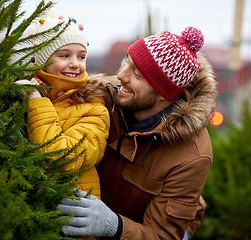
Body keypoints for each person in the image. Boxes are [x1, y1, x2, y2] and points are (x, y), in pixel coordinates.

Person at [57, 26, 218, 240]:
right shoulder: (110, 96)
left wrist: (113, 225)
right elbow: (54, 89)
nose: (121, 75)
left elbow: (162, 235)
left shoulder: (192, 155)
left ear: (164, 93)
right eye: (127, 62)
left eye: (137, 74)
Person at [16, 8, 110, 201]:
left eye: (81, 56)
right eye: (65, 55)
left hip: (72, 218)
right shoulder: (20, 92)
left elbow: (60, 157)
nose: (75, 63)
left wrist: (37, 101)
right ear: (43, 59)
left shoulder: (94, 108)